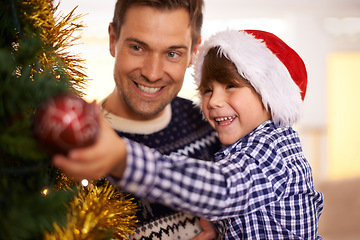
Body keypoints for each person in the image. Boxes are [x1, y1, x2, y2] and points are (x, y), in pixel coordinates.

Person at [54, 29, 324, 239]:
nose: (214, 101)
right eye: (207, 89)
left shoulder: (272, 149)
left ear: (270, 96)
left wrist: (123, 157)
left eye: (230, 86)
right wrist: (220, 226)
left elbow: (223, 187)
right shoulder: (248, 148)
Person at [56, 0, 222, 239]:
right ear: (113, 39)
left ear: (194, 52)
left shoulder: (214, 128)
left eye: (172, 53)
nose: (152, 73)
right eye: (137, 48)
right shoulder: (74, 152)